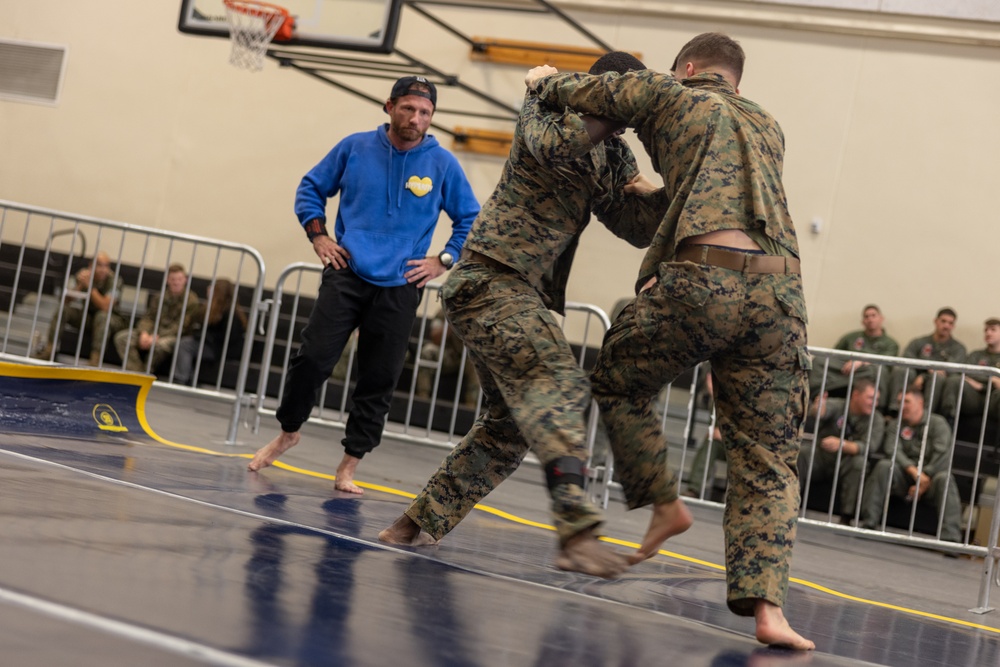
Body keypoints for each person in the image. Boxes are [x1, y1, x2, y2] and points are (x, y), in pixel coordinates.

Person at [527, 33, 814, 648]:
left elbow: (604, 91)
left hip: (704, 280)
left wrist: (544, 81)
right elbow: (712, 187)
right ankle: (770, 612)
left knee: (618, 381)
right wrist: (652, 194)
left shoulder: (671, 92)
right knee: (767, 456)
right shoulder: (768, 124)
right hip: (781, 296)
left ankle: (662, 501)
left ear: (688, 68)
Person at [379, 52, 666, 579]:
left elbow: (634, 224)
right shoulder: (548, 105)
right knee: (557, 381)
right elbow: (551, 146)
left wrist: (681, 191)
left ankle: (413, 523)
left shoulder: (614, 153)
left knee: (508, 430)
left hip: (522, 295)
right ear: (606, 90)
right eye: (626, 100)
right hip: (489, 279)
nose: (631, 115)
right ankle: (577, 532)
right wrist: (565, 90)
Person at [247, 76, 480, 493]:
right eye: (408, 108)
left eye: (425, 112)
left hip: (401, 284)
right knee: (314, 359)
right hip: (348, 271)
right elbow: (310, 189)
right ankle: (289, 430)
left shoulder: (442, 163)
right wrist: (318, 235)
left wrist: (443, 260)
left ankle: (349, 464)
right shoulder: (355, 147)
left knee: (379, 377)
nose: (416, 118)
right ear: (389, 106)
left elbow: (470, 219)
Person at [861, 385, 962, 542]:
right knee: (884, 466)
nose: (901, 406)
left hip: (931, 479)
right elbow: (892, 449)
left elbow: (942, 455)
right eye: (899, 402)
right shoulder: (896, 424)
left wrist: (925, 476)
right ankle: (868, 524)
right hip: (904, 475)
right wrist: (914, 472)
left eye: (906, 402)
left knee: (946, 479)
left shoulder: (938, 423)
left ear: (920, 403)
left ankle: (951, 539)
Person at [799, 377, 885, 523]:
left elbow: (868, 447)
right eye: (871, 398)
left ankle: (847, 517)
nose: (874, 404)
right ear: (856, 395)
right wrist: (819, 408)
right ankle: (792, 501)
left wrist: (842, 444)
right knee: (803, 453)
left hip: (846, 462)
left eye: (876, 400)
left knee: (859, 463)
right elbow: (822, 411)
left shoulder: (876, 419)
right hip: (823, 456)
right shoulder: (840, 405)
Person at [33, 251, 125, 364]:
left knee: (102, 316)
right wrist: (80, 285)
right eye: (99, 265)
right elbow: (65, 300)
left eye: (107, 266)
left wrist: (90, 287)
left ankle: (95, 360)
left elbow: (105, 307)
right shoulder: (84, 276)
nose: (103, 269)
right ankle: (49, 349)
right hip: (89, 317)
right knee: (64, 310)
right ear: (91, 266)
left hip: (112, 319)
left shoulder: (115, 281)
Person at [114, 263, 199, 373]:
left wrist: (156, 337)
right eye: (173, 279)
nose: (176, 282)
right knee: (121, 338)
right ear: (167, 280)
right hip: (152, 333)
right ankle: (136, 371)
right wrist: (144, 333)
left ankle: (147, 371)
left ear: (185, 280)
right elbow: (148, 317)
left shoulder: (191, 301)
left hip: (172, 336)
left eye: (179, 279)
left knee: (160, 346)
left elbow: (181, 326)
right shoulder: (160, 297)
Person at [811, 304, 898, 406]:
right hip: (845, 369)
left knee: (878, 371)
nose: (870, 319)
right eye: (866, 316)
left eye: (873, 315)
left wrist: (861, 362)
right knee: (819, 360)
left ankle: (879, 408)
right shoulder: (851, 337)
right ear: (863, 321)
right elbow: (834, 355)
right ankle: (812, 394)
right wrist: (849, 363)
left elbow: (886, 364)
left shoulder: (891, 343)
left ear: (881, 318)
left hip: (867, 371)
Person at [888, 308, 967, 414]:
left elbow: (954, 370)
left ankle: (926, 415)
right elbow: (906, 358)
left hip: (937, 383)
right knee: (901, 371)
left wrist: (924, 377)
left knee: (937, 378)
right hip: (915, 378)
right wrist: (928, 369)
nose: (946, 326)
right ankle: (894, 409)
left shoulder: (958, 348)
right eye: (943, 321)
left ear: (953, 326)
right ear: (936, 321)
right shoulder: (919, 342)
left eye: (950, 323)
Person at [172, 278, 248, 386]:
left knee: (185, 345)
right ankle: (188, 378)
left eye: (213, 287)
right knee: (186, 342)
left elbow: (228, 337)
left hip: (220, 349)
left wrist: (202, 336)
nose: (208, 289)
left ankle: (182, 378)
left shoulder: (230, 314)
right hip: (211, 345)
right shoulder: (214, 309)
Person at [940, 317, 1000, 433]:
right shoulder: (976, 355)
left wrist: (982, 385)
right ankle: (948, 424)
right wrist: (993, 380)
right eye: (986, 330)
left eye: (993, 330)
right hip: (975, 396)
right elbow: (968, 374)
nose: (988, 333)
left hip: (994, 400)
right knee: (954, 380)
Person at [414, 308, 480, 406]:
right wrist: (452, 321)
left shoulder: (480, 310)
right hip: (449, 355)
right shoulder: (445, 310)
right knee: (428, 351)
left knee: (478, 361)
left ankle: (471, 406)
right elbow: (435, 338)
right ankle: (422, 397)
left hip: (470, 357)